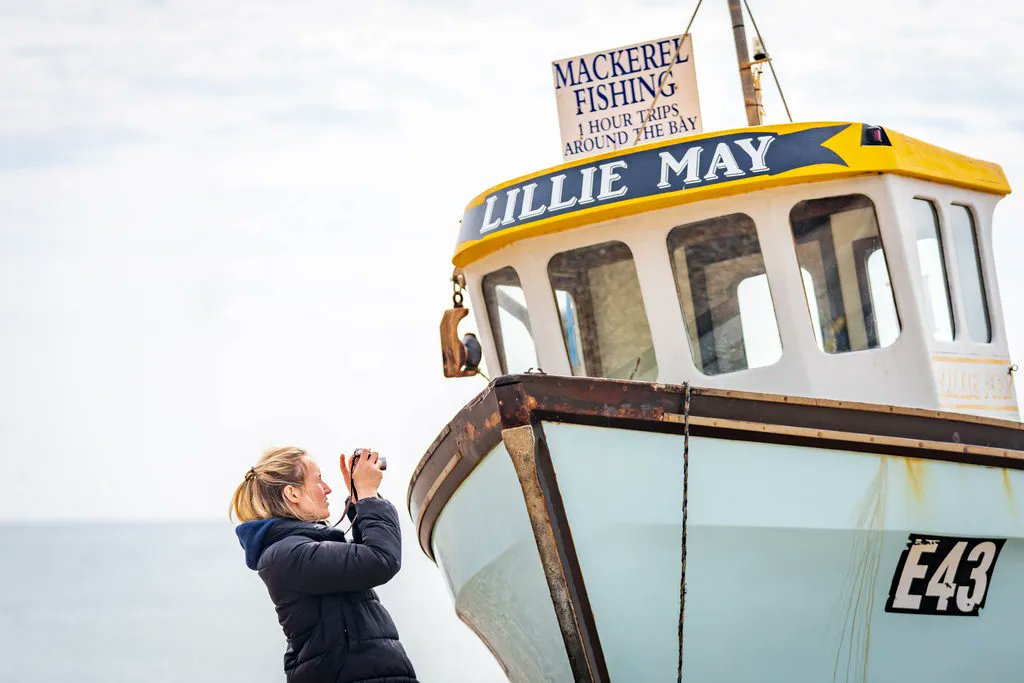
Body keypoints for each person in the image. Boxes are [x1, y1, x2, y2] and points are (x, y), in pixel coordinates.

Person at [231, 446, 418, 683]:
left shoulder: (297, 550)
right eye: (318, 480)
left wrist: (359, 499)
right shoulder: (287, 555)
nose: (327, 488)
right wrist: (368, 495)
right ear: (292, 494)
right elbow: (380, 560)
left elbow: (360, 562)